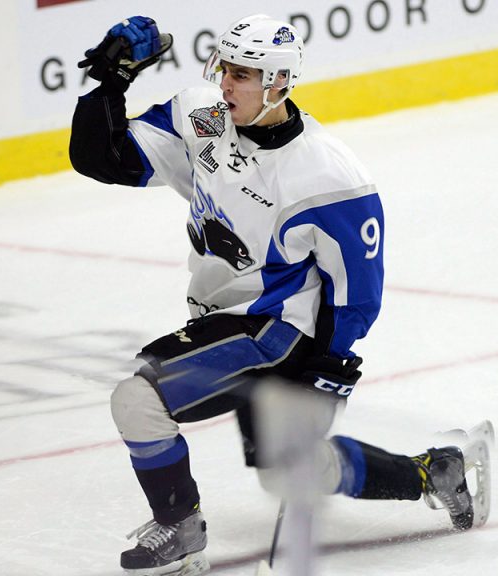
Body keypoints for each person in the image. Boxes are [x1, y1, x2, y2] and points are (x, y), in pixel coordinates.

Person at [69, 14, 474, 576]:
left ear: (279, 83)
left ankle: (181, 527)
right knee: (293, 470)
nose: (227, 83)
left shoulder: (327, 175)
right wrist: (111, 82)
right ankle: (435, 473)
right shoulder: (204, 115)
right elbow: (102, 160)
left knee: (138, 399)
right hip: (222, 317)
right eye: (225, 68)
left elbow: (357, 291)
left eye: (244, 73)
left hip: (273, 330)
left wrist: (332, 365)